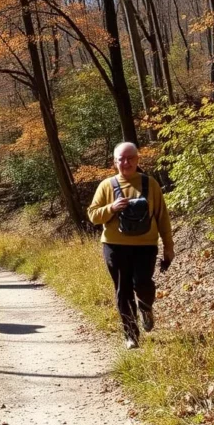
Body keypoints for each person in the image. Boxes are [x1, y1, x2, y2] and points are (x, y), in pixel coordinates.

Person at [87, 142, 174, 350]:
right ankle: (131, 335)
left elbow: (162, 217)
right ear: (115, 162)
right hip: (115, 247)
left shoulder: (150, 184)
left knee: (143, 283)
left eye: (130, 158)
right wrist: (112, 207)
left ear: (137, 159)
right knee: (122, 291)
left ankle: (145, 307)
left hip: (145, 245)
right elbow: (93, 216)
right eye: (121, 159)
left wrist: (168, 246)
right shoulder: (107, 186)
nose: (126, 163)